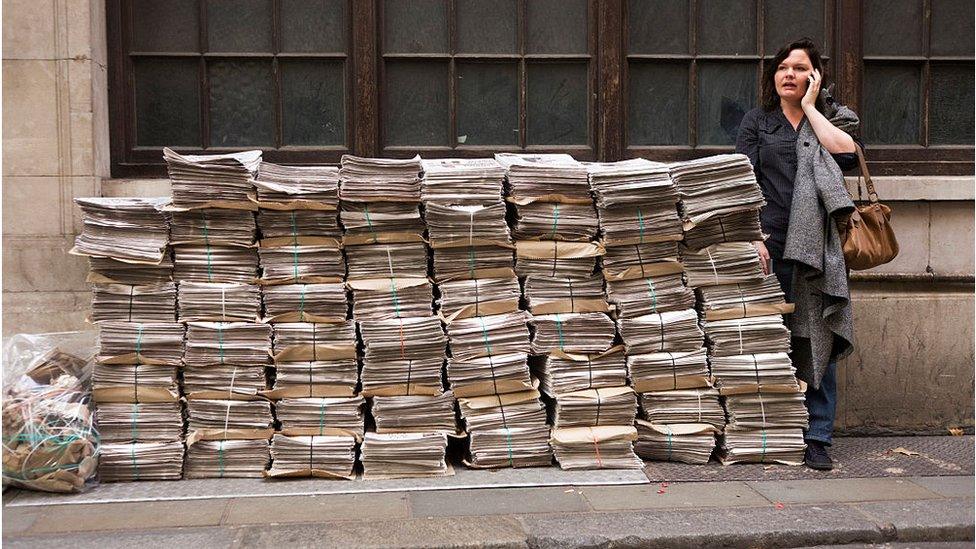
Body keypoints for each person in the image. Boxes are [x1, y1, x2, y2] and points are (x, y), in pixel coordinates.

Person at [735, 38, 859, 471]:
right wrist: (752, 236)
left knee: (818, 334)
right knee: (773, 342)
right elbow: (742, 183)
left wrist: (811, 107)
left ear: (814, 75)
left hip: (818, 249)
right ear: (773, 75)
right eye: (783, 67)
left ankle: (818, 436)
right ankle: (777, 429)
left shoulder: (832, 118)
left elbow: (846, 154)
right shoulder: (757, 123)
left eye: (799, 67)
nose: (789, 73)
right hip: (770, 245)